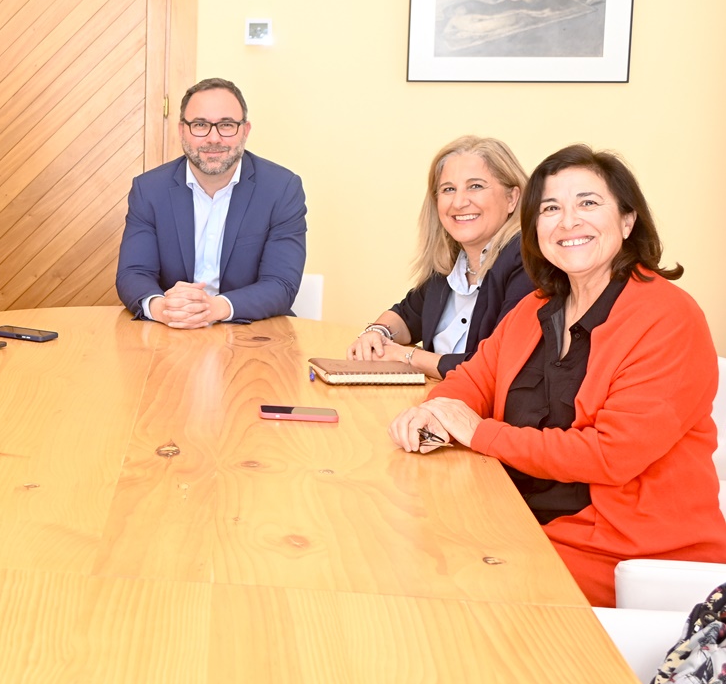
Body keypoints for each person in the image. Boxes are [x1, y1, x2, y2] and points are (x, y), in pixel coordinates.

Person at [389, 145, 726, 606]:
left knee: (438, 584)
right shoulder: (536, 308)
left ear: (627, 221)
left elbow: (610, 455)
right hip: (518, 518)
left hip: (629, 557)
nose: (568, 222)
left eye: (588, 203)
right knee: (395, 540)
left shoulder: (669, 318)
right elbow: (475, 379)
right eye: (551, 208)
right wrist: (435, 410)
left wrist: (479, 432)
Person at [115, 77, 306, 325]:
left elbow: (281, 284)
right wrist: (161, 307)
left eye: (226, 125)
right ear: (182, 130)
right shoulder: (149, 189)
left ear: (245, 131)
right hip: (170, 331)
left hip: (251, 334)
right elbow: (133, 273)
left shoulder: (282, 189)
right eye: (200, 124)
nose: (213, 138)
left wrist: (215, 308)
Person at [346, 136, 533, 380]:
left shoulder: (526, 263)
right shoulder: (451, 262)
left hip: (482, 414)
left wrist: (407, 357)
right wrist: (377, 334)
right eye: (448, 189)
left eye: (475, 186)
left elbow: (494, 366)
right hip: (436, 401)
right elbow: (406, 315)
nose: (459, 202)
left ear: (512, 198)